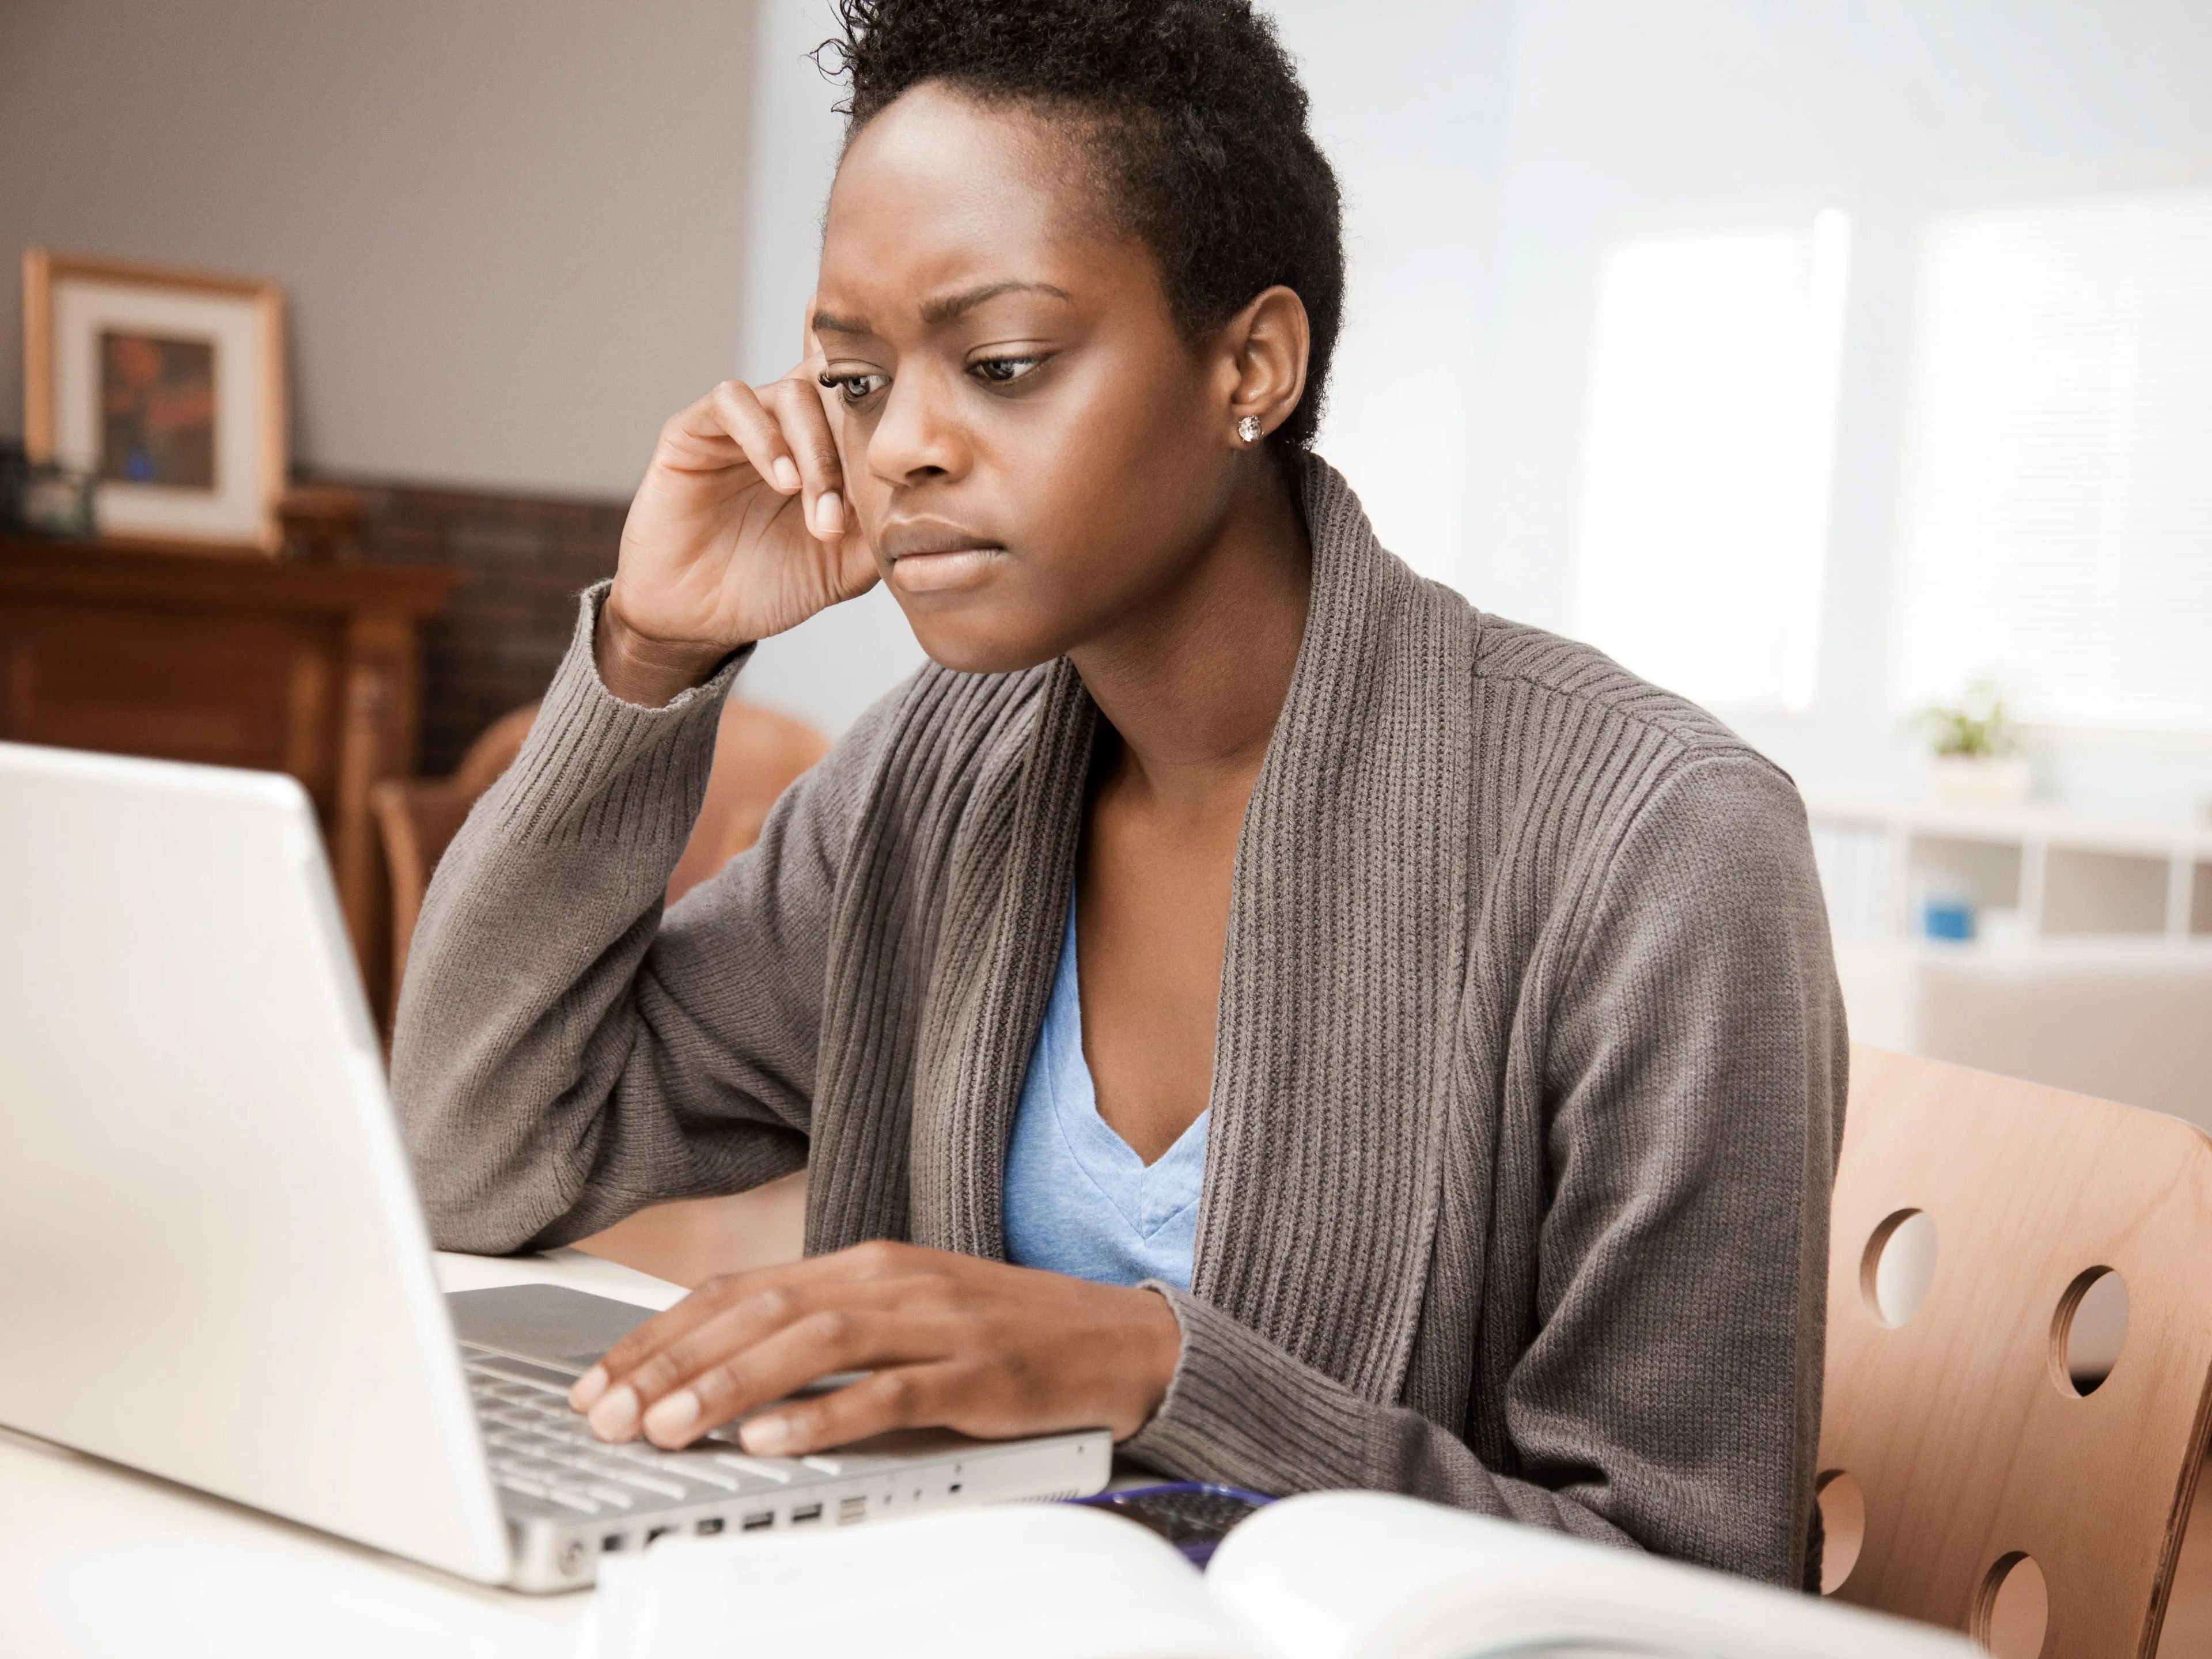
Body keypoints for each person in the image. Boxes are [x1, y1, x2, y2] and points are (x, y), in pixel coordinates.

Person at [392, 0, 1844, 1589]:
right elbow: (477, 1161)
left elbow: (1690, 1583)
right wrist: (652, 653)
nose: (905, 453)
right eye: (856, 381)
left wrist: (1151, 1375)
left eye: (1003, 363)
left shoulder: (1658, 844)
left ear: (1253, 366)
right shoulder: (923, 784)